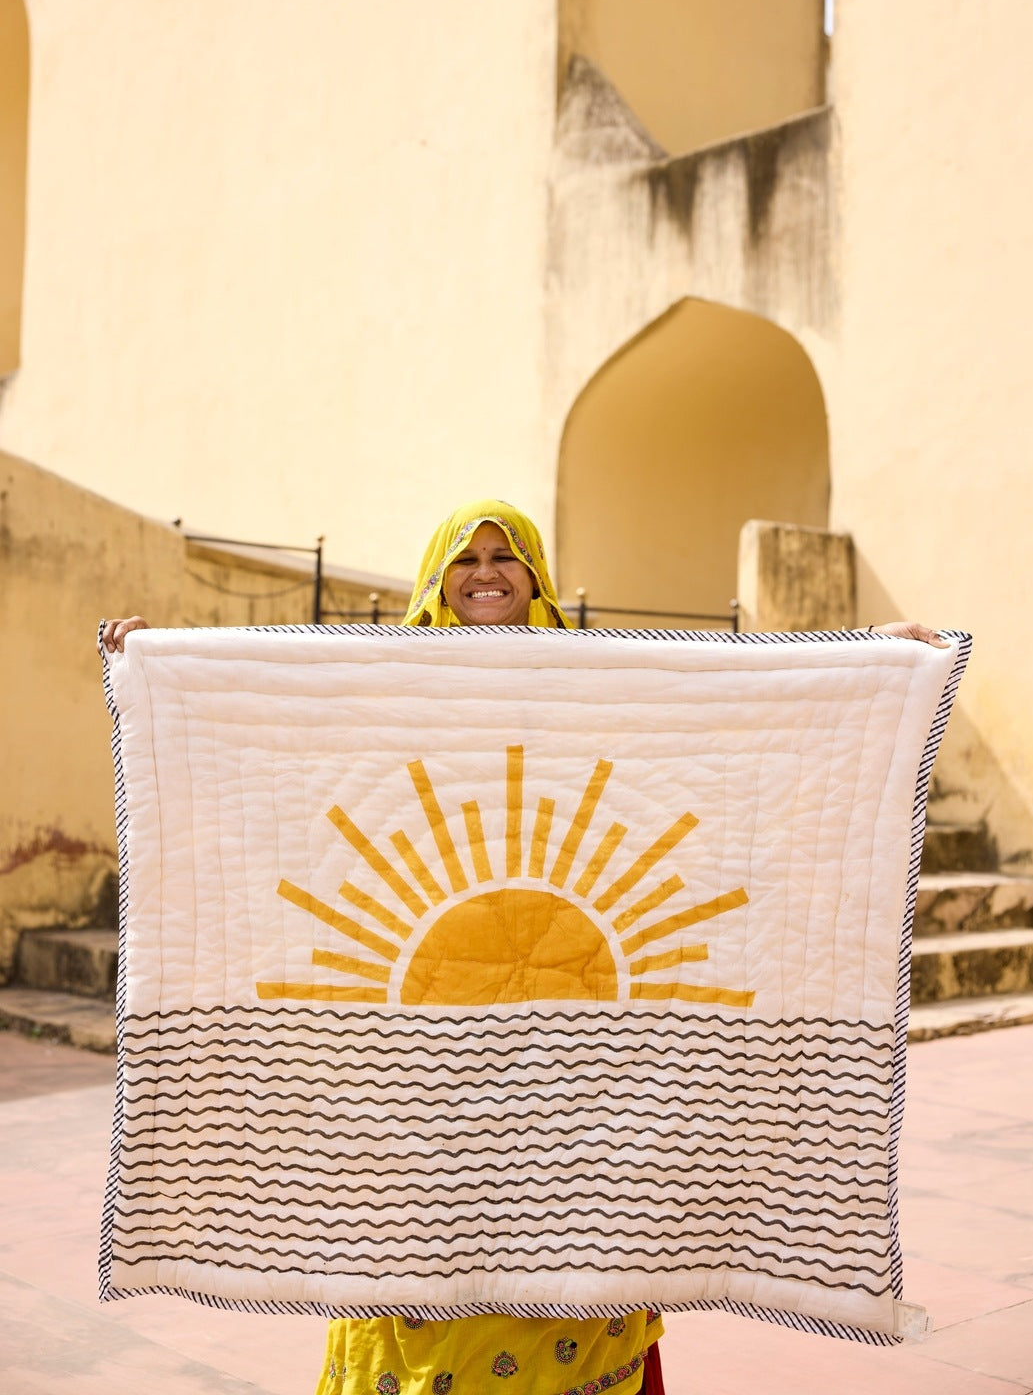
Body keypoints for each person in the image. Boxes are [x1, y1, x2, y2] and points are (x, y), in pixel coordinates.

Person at [100, 497, 948, 1395]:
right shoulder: (381, 683)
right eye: (465, 560)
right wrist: (158, 665)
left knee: (576, 1252)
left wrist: (874, 661)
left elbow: (719, 700)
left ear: (535, 576)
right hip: (416, 1069)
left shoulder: (589, 679)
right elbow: (279, 724)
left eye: (506, 557)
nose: (486, 574)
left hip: (579, 1062)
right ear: (435, 579)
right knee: (414, 1270)